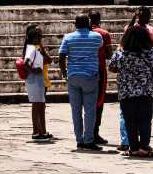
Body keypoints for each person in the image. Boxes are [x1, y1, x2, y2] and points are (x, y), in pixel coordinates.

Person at [113, 24, 153, 157]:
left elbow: (112, 67)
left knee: (130, 121)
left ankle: (133, 148)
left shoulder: (121, 53)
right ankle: (144, 147)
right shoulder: (150, 53)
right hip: (146, 92)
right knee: (145, 121)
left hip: (127, 93)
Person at [58, 14, 105, 150]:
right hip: (90, 76)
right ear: (89, 23)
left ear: (75, 24)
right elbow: (100, 47)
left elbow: (61, 56)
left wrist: (65, 73)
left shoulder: (68, 37)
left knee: (76, 110)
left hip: (73, 76)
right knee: (90, 110)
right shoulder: (97, 37)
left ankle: (79, 139)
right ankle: (89, 139)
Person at [128, 6, 153, 138]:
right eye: (145, 15)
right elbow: (126, 37)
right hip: (136, 64)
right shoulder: (132, 28)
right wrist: (133, 18)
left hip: (149, 65)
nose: (147, 18)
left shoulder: (151, 29)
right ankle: (139, 127)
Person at [22, 25, 51, 141]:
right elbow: (26, 63)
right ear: (32, 38)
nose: (40, 39)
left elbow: (49, 60)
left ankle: (41, 130)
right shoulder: (31, 48)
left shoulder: (37, 48)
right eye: (38, 37)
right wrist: (34, 71)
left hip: (39, 79)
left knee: (40, 104)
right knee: (36, 104)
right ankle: (36, 131)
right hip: (34, 79)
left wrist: (43, 53)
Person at [89, 10, 114, 146]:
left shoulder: (82, 33)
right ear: (99, 19)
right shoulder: (103, 34)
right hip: (99, 69)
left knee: (86, 102)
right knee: (99, 101)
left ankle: (86, 131)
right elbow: (109, 55)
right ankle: (94, 132)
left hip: (84, 70)